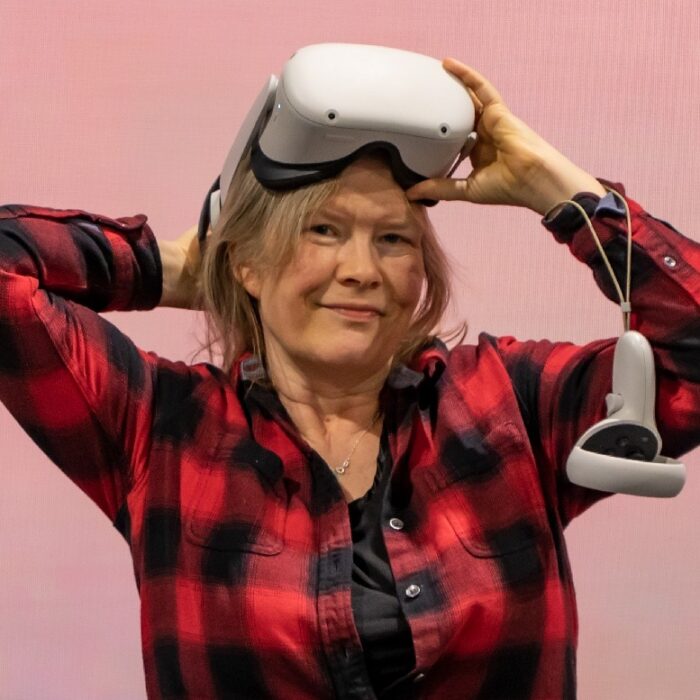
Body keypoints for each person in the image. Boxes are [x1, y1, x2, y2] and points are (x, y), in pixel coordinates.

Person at [0, 56, 698, 700]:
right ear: (247, 262)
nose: (362, 270)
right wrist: (166, 269)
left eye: (392, 239)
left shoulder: (507, 405)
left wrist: (558, 189)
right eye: (324, 232)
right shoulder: (159, 427)